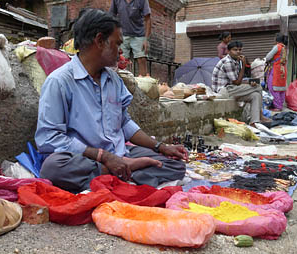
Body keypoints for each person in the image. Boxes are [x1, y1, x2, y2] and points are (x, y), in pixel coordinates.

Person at [35, 9, 186, 193]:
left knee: (175, 165)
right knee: (53, 168)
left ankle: (118, 172)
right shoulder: (59, 82)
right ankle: (119, 172)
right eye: (117, 44)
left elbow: (124, 123)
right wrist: (103, 156)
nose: (120, 50)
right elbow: (48, 138)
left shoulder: (114, 80)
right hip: (87, 158)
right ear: (99, 41)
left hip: (121, 153)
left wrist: (161, 147)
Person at [211, 41, 272, 127]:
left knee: (255, 95)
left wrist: (250, 83)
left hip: (232, 89)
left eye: (240, 50)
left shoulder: (235, 61)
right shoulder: (228, 62)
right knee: (258, 87)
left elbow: (237, 80)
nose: (238, 52)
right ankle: (261, 116)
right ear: (228, 51)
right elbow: (237, 82)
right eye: (235, 50)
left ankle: (254, 122)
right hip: (224, 91)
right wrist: (243, 65)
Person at [110, 0, 151, 77]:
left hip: (139, 34)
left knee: (142, 58)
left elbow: (148, 19)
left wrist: (146, 39)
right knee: (121, 61)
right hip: (122, 34)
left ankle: (144, 83)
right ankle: (122, 83)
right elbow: (111, 16)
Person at [265, 34, 288, 111]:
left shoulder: (277, 46)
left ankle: (277, 106)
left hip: (276, 69)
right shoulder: (284, 48)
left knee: (273, 87)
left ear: (276, 40)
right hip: (283, 70)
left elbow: (268, 57)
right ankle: (280, 105)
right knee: (281, 88)